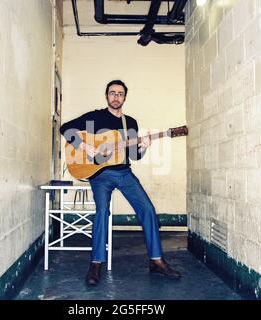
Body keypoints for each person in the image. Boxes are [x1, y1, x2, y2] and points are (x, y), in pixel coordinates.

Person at [60, 79, 181, 285]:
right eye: (112, 93)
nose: (116, 97)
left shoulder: (130, 123)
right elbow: (65, 128)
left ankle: (156, 260)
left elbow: (134, 155)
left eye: (120, 94)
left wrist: (144, 146)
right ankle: (96, 263)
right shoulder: (95, 117)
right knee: (102, 213)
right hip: (100, 175)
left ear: (125, 97)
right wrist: (86, 148)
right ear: (106, 96)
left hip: (124, 173)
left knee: (148, 209)